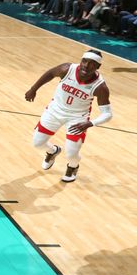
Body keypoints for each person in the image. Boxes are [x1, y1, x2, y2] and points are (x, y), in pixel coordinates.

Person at [25, 50, 112, 182]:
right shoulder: (67, 69)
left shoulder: (100, 87)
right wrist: (33, 89)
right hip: (54, 111)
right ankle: (53, 151)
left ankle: (73, 167)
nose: (86, 66)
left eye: (92, 64)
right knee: (37, 144)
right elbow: (50, 73)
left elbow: (107, 114)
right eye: (84, 61)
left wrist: (90, 123)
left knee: (71, 153)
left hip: (77, 119)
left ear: (98, 67)